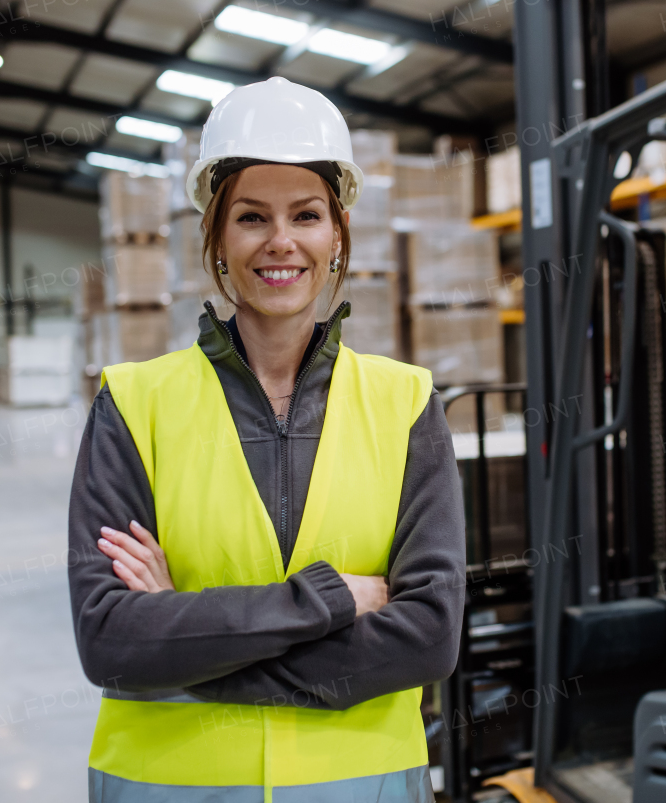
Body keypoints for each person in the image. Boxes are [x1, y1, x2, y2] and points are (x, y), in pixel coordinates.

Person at [67, 77, 466, 803]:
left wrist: (189, 648)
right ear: (217, 237)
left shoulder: (406, 403)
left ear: (337, 232)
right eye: (252, 217)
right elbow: (112, 642)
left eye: (306, 214)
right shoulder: (132, 403)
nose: (281, 242)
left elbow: (430, 635)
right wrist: (329, 598)